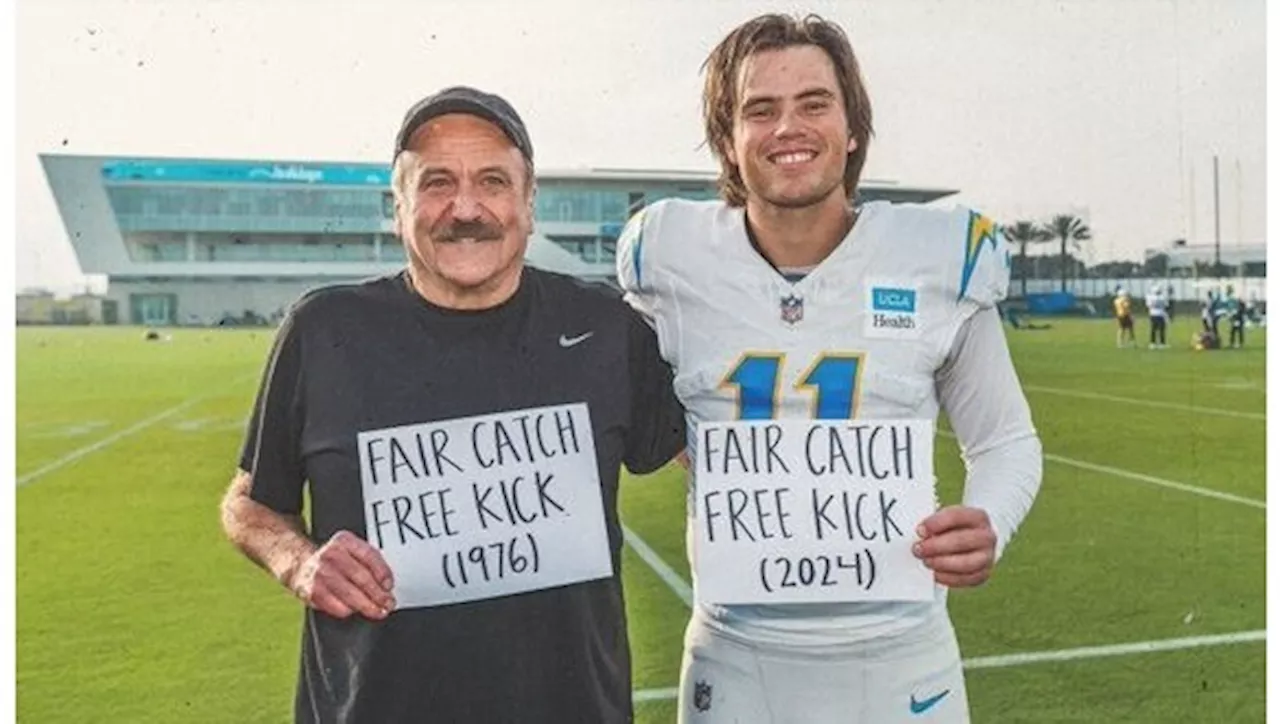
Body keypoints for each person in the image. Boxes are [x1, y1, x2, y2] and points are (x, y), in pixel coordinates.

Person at [617, 14, 1042, 723]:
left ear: (852, 128)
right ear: (728, 139)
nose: (790, 127)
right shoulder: (669, 253)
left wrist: (990, 518)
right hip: (734, 655)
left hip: (904, 658)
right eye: (761, 109)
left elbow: (1004, 440)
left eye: (814, 103)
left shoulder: (935, 254)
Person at [220, 86, 686, 724]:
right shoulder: (325, 329)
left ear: (528, 202)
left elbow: (715, 446)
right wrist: (300, 563)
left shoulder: (605, 325)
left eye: (493, 180)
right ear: (399, 207)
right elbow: (249, 501)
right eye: (437, 182)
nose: (466, 208)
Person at [1144, 284, 1169, 348]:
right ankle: (1162, 343)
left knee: (1153, 329)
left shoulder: (1150, 297)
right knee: (1161, 329)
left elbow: (1147, 305)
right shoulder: (1162, 297)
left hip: (1152, 314)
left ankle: (1152, 343)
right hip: (1160, 314)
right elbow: (1166, 305)